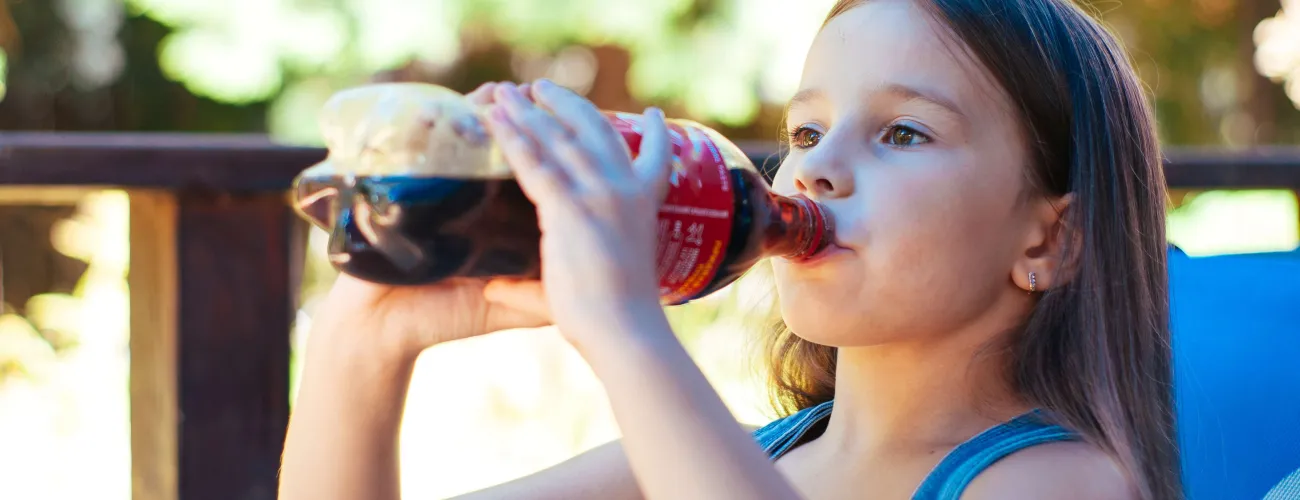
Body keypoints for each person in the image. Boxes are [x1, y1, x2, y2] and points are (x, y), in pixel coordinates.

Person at [278, 0, 1182, 498]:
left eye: (903, 133)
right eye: (804, 130)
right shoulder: (750, 460)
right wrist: (365, 339)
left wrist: (629, 332)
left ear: (1050, 238)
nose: (816, 170)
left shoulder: (1061, 485)